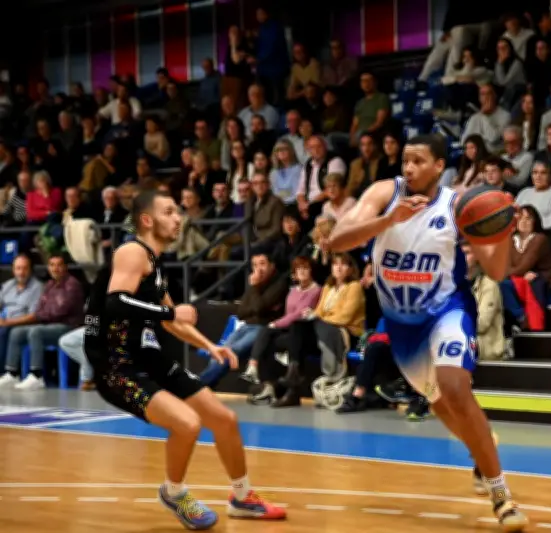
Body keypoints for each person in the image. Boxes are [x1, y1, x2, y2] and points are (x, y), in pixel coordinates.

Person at [328, 134, 528, 530]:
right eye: (405, 160)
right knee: (440, 405)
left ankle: (501, 496)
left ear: (439, 166)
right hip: (403, 326)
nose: (409, 168)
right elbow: (336, 242)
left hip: (447, 311)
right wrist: (389, 221)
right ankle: (480, 448)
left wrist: (502, 228)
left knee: (455, 388)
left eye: (419, 161)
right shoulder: (384, 193)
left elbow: (497, 270)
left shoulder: (457, 205)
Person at [83, 190, 286, 529]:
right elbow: (116, 302)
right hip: (118, 368)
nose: (178, 218)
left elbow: (171, 322)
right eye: (169, 212)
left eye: (178, 211)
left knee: (224, 420)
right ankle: (174, 492)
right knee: (187, 424)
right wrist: (171, 311)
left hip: (150, 359)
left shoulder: (155, 265)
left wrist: (211, 346)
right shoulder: (132, 252)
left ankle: (242, 497)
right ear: (147, 220)